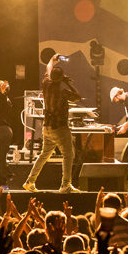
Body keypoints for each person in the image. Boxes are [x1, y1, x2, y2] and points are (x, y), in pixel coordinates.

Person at [23, 53, 81, 193]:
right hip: (60, 128)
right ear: (60, 78)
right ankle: (65, 185)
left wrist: (52, 59)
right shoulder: (63, 90)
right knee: (69, 154)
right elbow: (78, 97)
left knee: (44, 154)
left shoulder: (46, 84)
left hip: (47, 127)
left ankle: (30, 181)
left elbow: (48, 67)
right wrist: (66, 82)